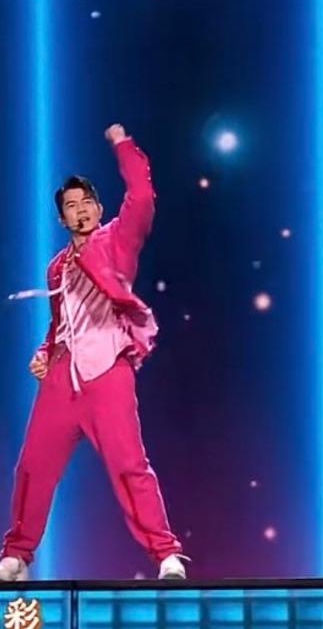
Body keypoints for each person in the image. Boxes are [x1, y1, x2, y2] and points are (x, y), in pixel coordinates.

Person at [0, 125, 187, 582]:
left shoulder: (117, 241)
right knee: (32, 467)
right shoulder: (56, 268)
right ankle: (17, 555)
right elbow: (59, 323)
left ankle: (166, 554)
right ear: (61, 219)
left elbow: (141, 196)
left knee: (129, 467)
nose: (80, 210)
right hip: (62, 379)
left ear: (99, 210)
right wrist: (44, 352)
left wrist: (122, 144)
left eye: (87, 203)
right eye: (71, 206)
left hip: (108, 372)